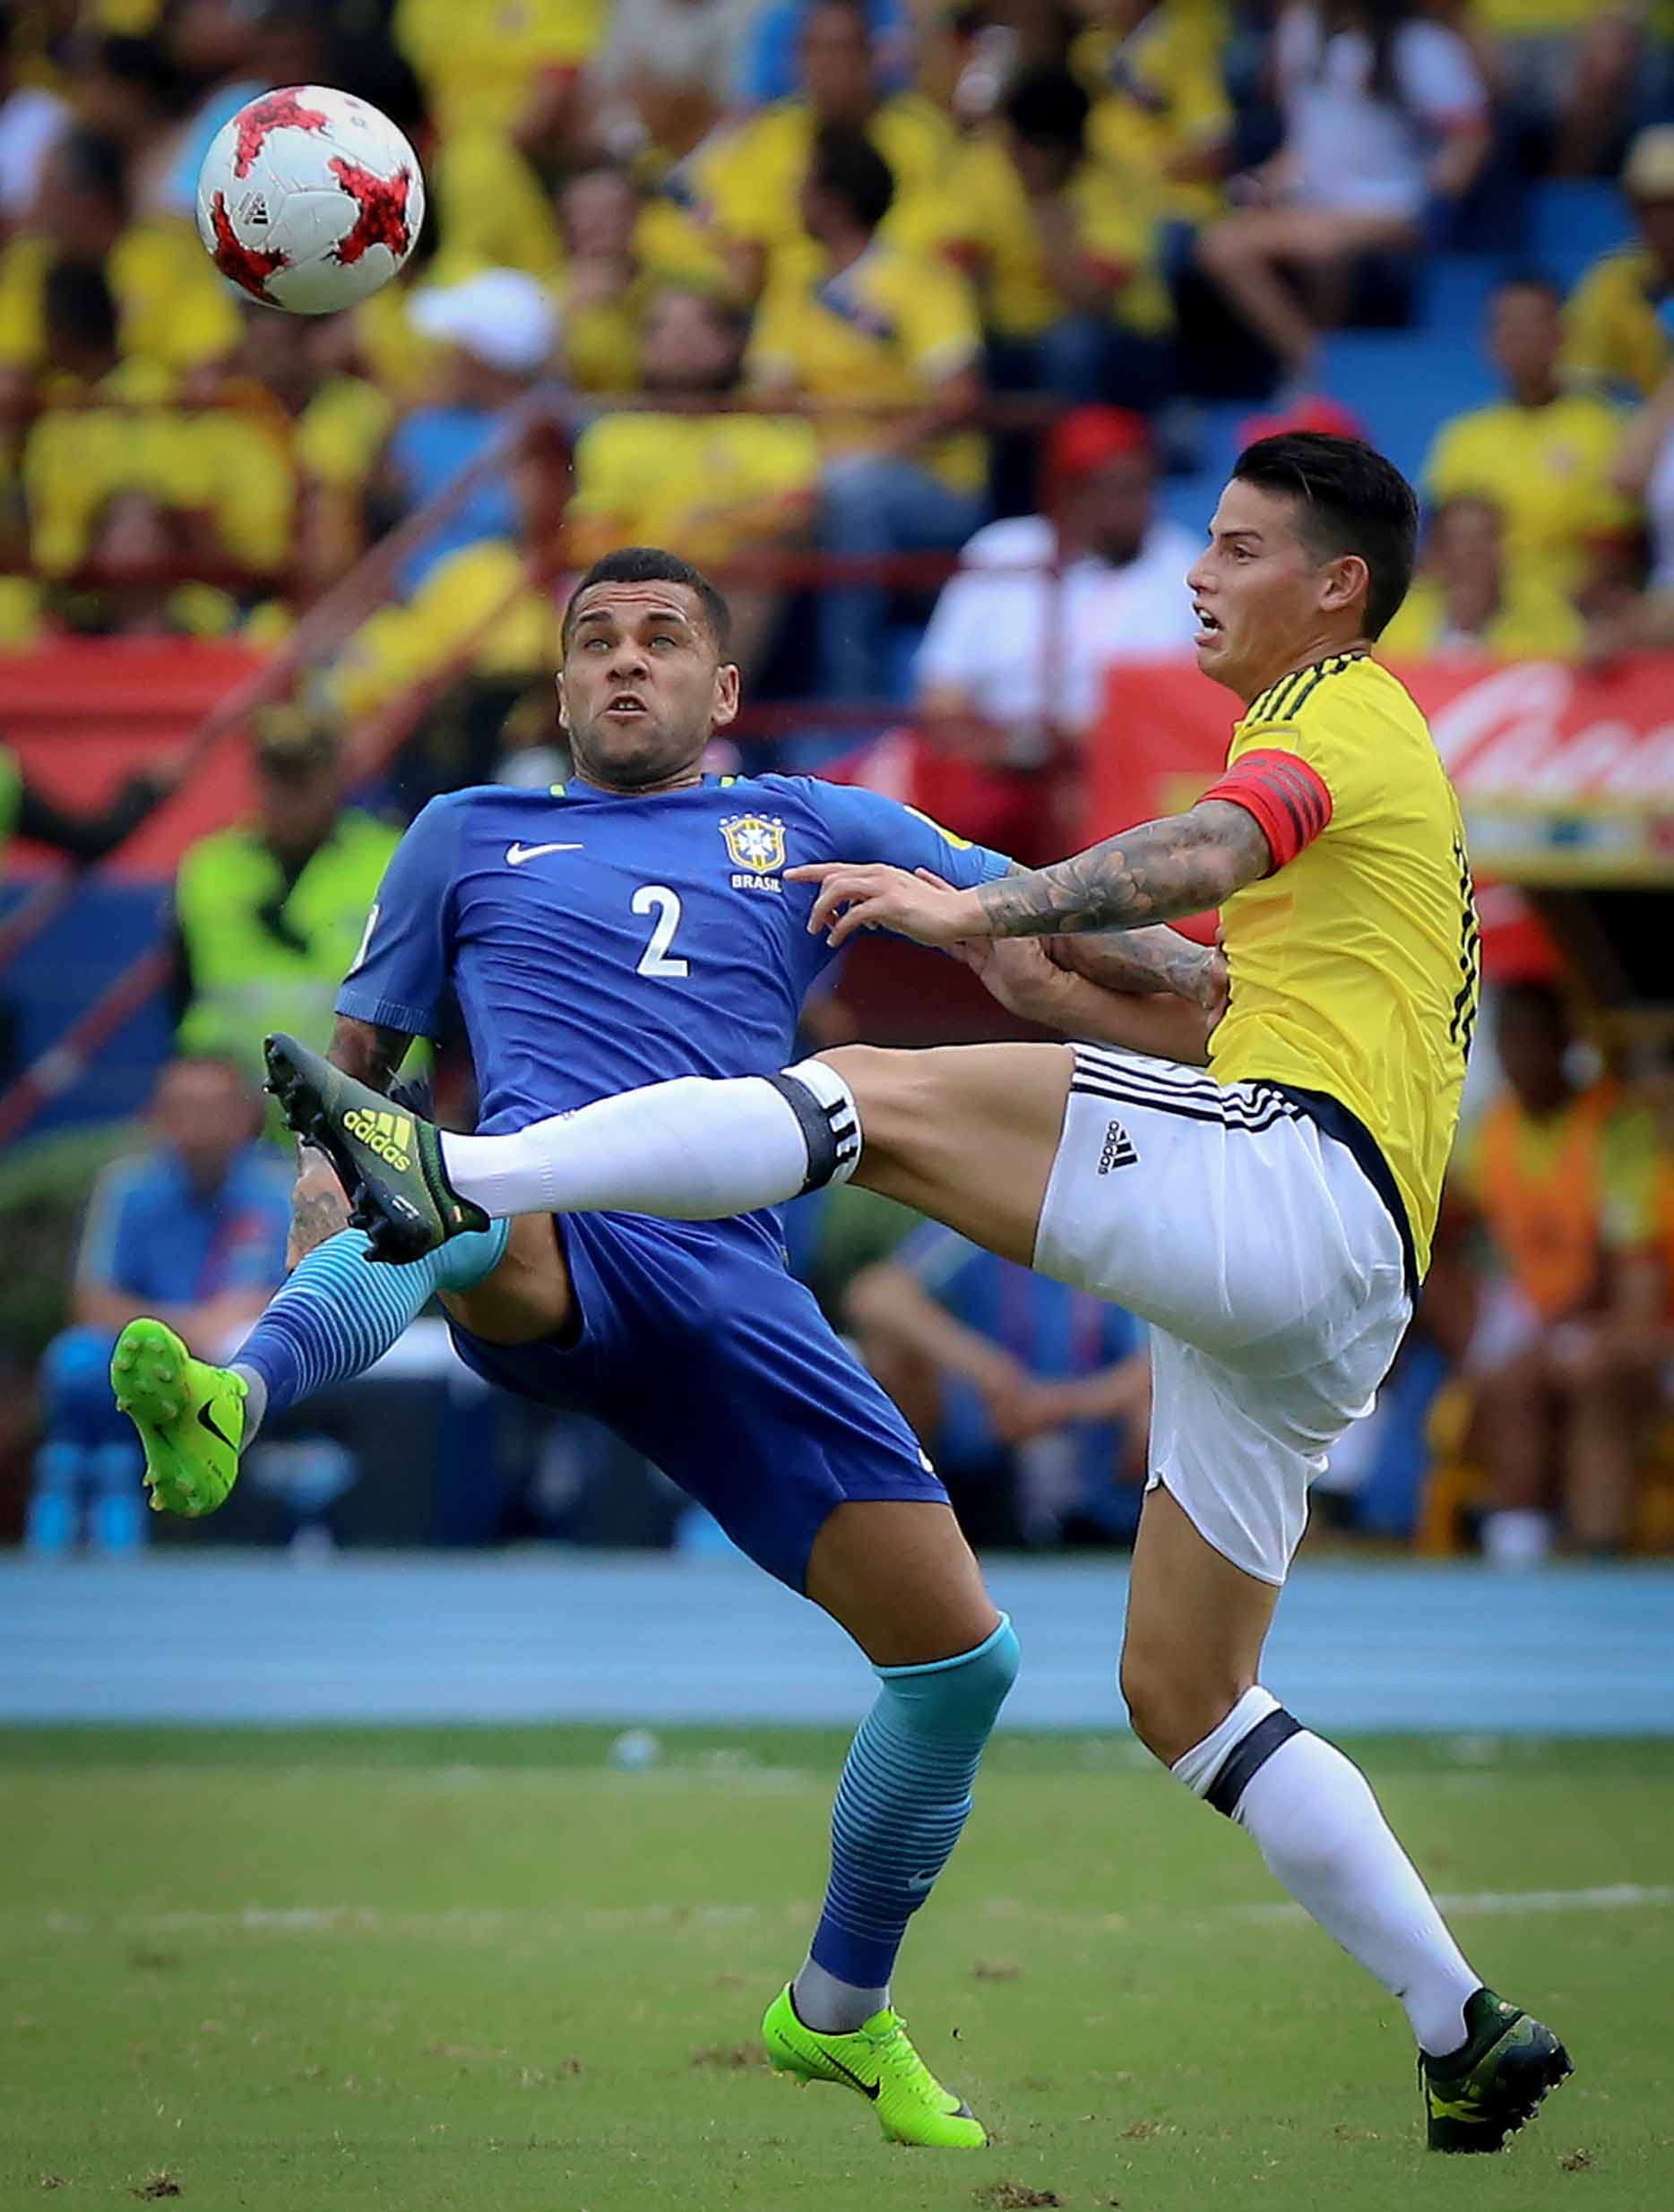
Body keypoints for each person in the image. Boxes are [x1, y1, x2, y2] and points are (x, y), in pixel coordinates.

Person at [311, 440, 1573, 2152]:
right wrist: (1023, 944)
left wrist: (970, 900)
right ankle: (1458, 2021)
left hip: (1291, 1175)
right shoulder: (1359, 819)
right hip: (1333, 1283)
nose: (1200, 575)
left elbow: (1203, 847)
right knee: (1188, 1695)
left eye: (1235, 546)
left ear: (1333, 584)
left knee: (870, 1105)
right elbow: (1195, 990)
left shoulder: (1335, 703)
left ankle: (463, 1174)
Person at [110, 545, 1039, 2152]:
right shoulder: (464, 835)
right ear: (553, 690)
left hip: (735, 1284)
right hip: (547, 1215)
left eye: (661, 638)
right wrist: (326, 1174)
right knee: (452, 1188)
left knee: (963, 1665)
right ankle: (229, 1394)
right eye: (593, 641)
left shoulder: (806, 822)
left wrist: (1166, 962)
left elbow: (1023, 908)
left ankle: (836, 2008)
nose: (625, 661)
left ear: (722, 691)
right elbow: (356, 1072)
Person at [748, 122, 987, 701]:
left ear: (832, 201)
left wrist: (867, 449)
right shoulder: (795, 282)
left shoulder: (920, 278)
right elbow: (768, 394)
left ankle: (847, 699)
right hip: (817, 469)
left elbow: (958, 395)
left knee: (851, 489)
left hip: (934, 486)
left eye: (804, 187)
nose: (795, 200)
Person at [29, 1054, 289, 1554]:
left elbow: (301, 1291)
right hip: (148, 1346)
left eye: (212, 1107)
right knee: (74, 1360)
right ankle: (89, 1486)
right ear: (159, 1116)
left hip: (235, 1356)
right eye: (183, 1107)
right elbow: (92, 1301)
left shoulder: (280, 1190)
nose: (198, 1122)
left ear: (243, 1116)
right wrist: (181, 1331)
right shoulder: (126, 1188)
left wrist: (227, 1323)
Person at [1450, 979, 1651, 1566]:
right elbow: (1437, 1220)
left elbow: (1631, 1277)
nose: (1518, 1053)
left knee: (1591, 1372)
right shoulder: (1494, 1131)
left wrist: (1544, 1338)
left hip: (1614, 1320)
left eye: (1532, 1037)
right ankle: (1517, 1551)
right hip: (1539, 1320)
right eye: (1507, 1037)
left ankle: (1598, 1551)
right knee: (1508, 1378)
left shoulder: (1617, 1127)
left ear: (1565, 1042)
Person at [1193, 2, 1488, 383]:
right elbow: (1305, 143)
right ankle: (1314, 359)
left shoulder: (1421, 43)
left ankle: (1324, 373)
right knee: (1221, 245)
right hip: (1318, 204)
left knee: (1315, 246)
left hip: (1393, 207)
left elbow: (1471, 134)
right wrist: (1265, 182)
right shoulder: (1300, 30)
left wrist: (1439, 201)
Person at [913, 405, 1200, 768]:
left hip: (1125, 765)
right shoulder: (1001, 550)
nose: (1131, 507)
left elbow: (1190, 707)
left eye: (1139, 486)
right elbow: (941, 695)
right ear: (1066, 491)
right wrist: (1006, 750)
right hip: (994, 765)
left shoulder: (1186, 567)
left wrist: (1076, 746)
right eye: (1110, 489)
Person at [848, 1226, 1150, 1547]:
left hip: (1098, 1436)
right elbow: (875, 1296)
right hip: (988, 1426)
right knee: (890, 1354)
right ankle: (911, 1524)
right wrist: (988, 1372)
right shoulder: (975, 1210)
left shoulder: (1128, 1228)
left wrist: (1065, 1404)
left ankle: (1139, 1544)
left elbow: (1166, 1355)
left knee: (1156, 1408)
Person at [169, 715, 400, 1076]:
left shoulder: (393, 862)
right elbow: (181, 989)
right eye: (278, 777)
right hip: (235, 1099)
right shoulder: (210, 866)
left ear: (338, 776)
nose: (290, 793)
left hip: (364, 1092)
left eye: (304, 777)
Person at [1421, 273, 1632, 606]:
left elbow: (1615, 551)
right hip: (1479, 619)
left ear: (1562, 335)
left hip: (1571, 614)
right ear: (1489, 340)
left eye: (1532, 323)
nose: (1519, 336)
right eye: (1505, 325)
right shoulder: (1462, 436)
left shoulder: (1604, 427)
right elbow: (1437, 551)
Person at [1377, 495, 1586, 661]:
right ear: (1435, 554)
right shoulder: (1394, 623)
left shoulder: (1547, 623)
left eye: (1486, 537)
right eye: (1460, 540)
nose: (1473, 552)